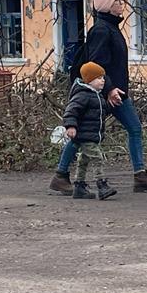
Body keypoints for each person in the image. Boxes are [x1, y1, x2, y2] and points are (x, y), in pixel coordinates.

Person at [49, 0, 147, 194]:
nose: (121, 4)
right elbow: (96, 63)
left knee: (134, 128)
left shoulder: (111, 28)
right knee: (84, 135)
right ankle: (60, 175)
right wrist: (110, 89)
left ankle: (140, 176)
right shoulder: (101, 30)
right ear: (106, 7)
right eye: (116, 2)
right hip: (102, 93)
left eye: (119, 1)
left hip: (116, 93)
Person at [61, 62, 116, 200]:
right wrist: (71, 126)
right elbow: (71, 111)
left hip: (91, 135)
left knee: (83, 160)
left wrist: (109, 105)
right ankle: (102, 185)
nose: (103, 80)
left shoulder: (96, 95)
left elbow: (99, 112)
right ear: (89, 80)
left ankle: (79, 186)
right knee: (97, 157)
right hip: (85, 135)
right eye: (99, 78)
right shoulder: (83, 95)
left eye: (103, 77)